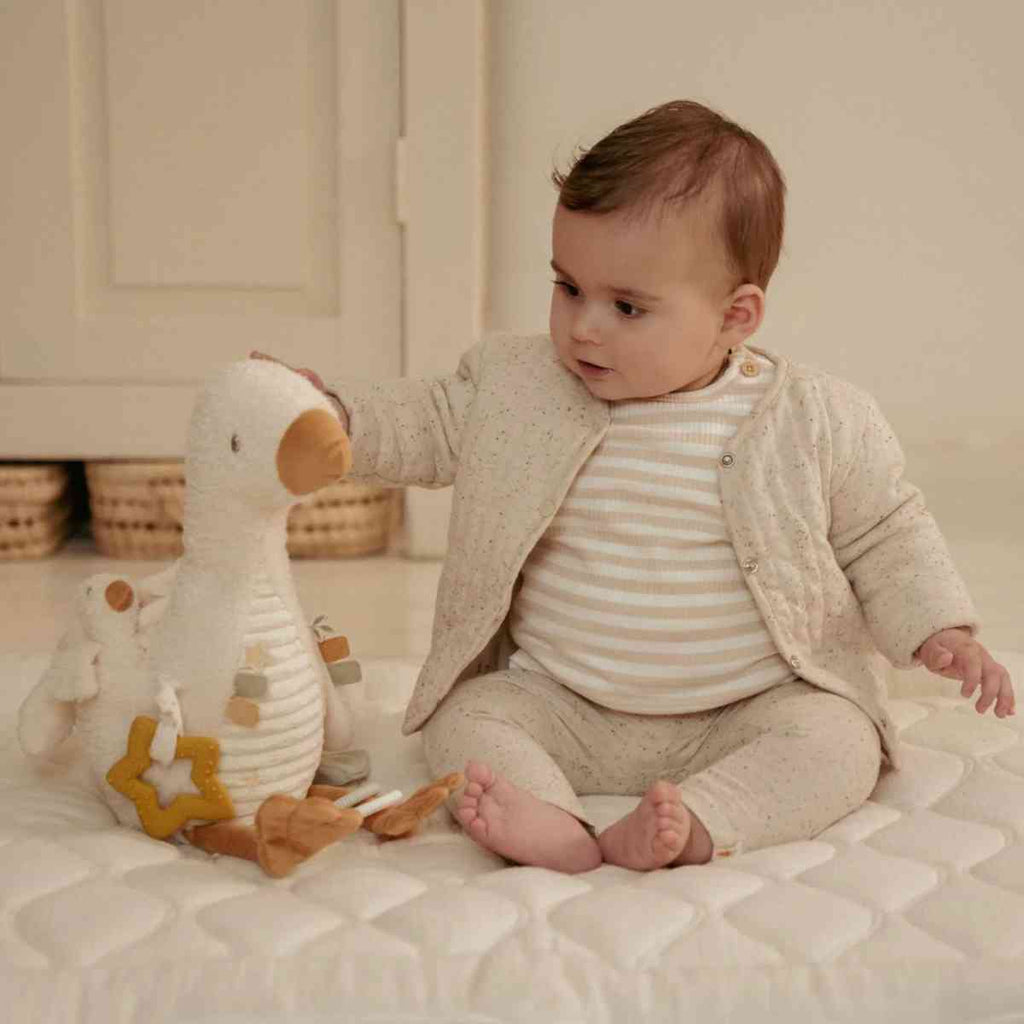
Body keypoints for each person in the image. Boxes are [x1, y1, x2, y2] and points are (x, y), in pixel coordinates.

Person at [253, 99, 1015, 874]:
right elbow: (427, 419)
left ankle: (701, 822)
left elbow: (885, 530)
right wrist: (333, 410)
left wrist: (937, 630)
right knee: (463, 719)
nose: (584, 326)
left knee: (840, 742)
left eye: (625, 306)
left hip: (747, 707)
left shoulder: (817, 417)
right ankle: (554, 823)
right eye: (567, 287)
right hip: (563, 702)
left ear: (735, 315)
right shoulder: (518, 387)